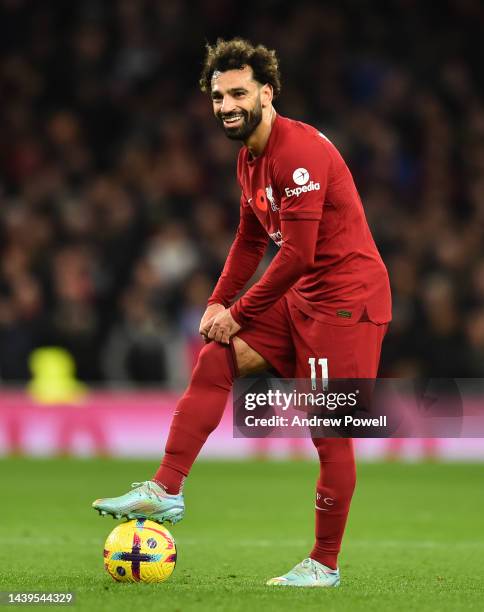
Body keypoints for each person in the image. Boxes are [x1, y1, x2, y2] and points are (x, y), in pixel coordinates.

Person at [93, 38, 392, 587]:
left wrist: (238, 308)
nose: (226, 105)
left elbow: (298, 253)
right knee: (217, 356)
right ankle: (166, 489)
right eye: (217, 96)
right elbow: (250, 241)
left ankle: (324, 564)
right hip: (304, 295)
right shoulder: (248, 159)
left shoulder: (297, 152)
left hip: (347, 302)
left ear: (267, 92)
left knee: (330, 431)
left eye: (237, 93)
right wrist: (215, 301)